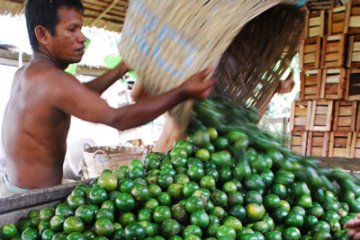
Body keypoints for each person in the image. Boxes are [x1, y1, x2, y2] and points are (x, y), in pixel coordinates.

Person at [0, 0, 215, 196]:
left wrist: (122, 67)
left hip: (15, 186)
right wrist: (183, 91)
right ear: (43, 35)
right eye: (72, 29)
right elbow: (118, 118)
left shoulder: (28, 74)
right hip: (32, 200)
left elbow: (81, 94)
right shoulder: (53, 81)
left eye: (81, 28)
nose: (82, 37)